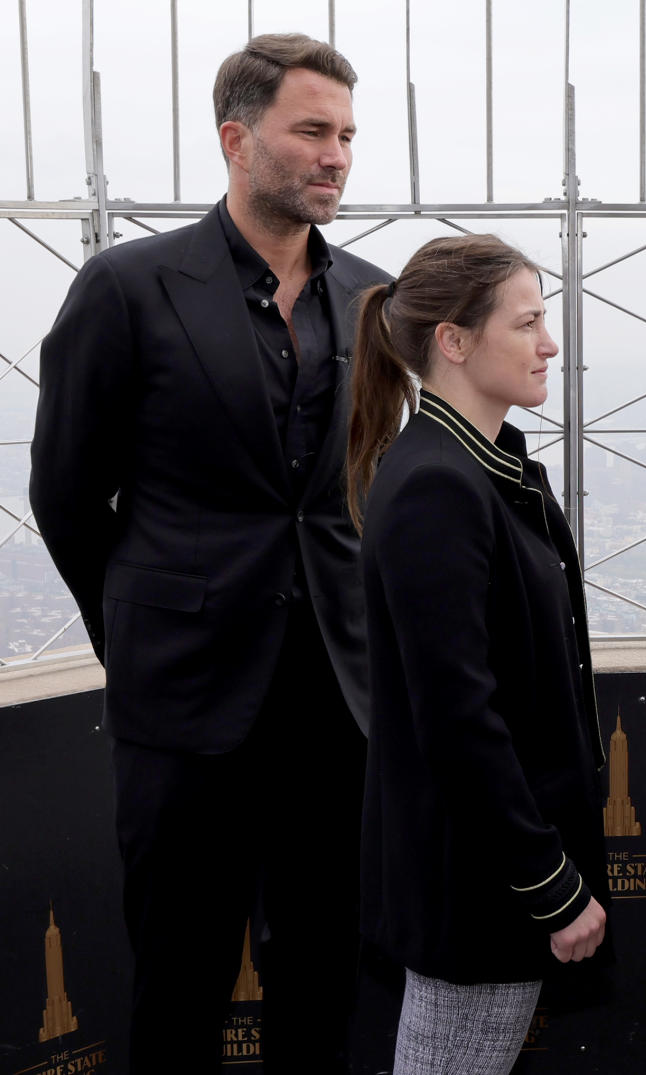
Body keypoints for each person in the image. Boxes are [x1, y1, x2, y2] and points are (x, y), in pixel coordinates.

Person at [29, 34, 388, 1074]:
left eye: (348, 137)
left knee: (322, 982)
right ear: (237, 139)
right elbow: (63, 491)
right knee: (177, 985)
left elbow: (370, 484)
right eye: (312, 131)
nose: (336, 156)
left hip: (335, 705)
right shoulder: (128, 286)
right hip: (183, 707)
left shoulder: (374, 295)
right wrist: (139, 631)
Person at [346, 234, 610, 1075]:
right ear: (454, 341)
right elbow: (458, 721)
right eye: (527, 322)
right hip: (480, 892)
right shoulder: (438, 483)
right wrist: (550, 884)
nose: (549, 342)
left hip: (489, 880)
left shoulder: (481, 466)